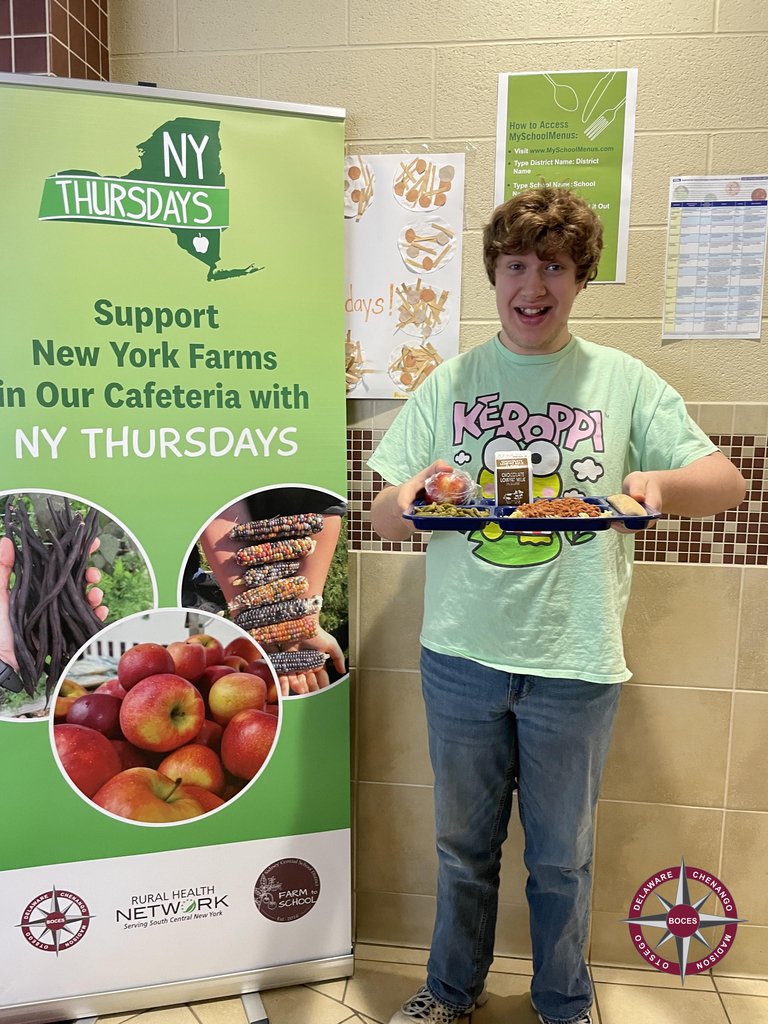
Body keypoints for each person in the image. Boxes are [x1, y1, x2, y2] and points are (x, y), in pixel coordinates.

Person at [367, 187, 745, 1024]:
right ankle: (449, 991)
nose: (531, 286)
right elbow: (387, 513)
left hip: (573, 662)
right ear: (493, 273)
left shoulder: (624, 381)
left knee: (560, 859)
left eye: (553, 267)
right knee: (462, 850)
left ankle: (564, 1003)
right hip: (461, 657)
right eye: (515, 265)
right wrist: (419, 490)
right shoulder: (454, 380)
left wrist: (658, 484)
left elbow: (727, 482)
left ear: (580, 279)